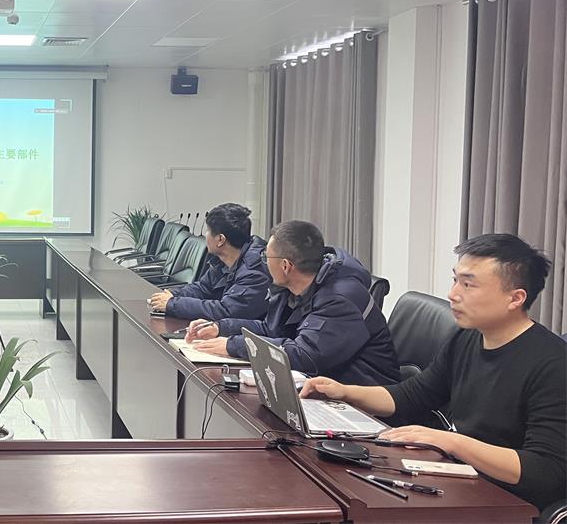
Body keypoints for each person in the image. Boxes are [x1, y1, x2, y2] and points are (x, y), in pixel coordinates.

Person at [301, 234, 565, 513]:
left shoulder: (553, 364)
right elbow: (411, 396)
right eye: (455, 280)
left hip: (511, 505)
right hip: (460, 481)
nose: (453, 294)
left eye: (468, 284)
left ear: (515, 298)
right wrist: (343, 392)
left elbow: (545, 471)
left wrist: (451, 442)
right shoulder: (467, 338)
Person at [187, 220, 400, 386]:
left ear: (286, 266)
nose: (263, 263)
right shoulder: (291, 287)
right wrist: (220, 327)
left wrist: (234, 345)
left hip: (362, 402)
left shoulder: (340, 298)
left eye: (266, 257)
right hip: (322, 385)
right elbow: (271, 329)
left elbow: (305, 356)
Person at [147, 203, 271, 322]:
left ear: (221, 239)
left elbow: (226, 311)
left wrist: (173, 304)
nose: (205, 236)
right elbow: (203, 288)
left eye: (208, 231)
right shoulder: (222, 260)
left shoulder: (255, 271)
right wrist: (173, 294)